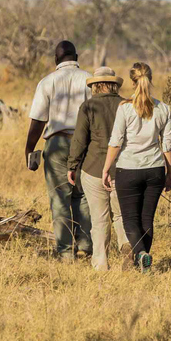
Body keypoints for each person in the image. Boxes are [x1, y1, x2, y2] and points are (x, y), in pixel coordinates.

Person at [102, 62, 171, 272]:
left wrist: (106, 168)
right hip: (155, 170)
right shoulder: (164, 108)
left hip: (128, 169)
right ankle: (143, 262)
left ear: (132, 82)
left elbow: (116, 142)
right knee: (147, 219)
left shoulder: (125, 108)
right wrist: (170, 173)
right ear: (150, 80)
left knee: (130, 220)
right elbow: (167, 145)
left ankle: (141, 254)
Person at [25, 41, 93, 262]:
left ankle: (65, 252)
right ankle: (86, 246)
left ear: (56, 59)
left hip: (56, 144)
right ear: (77, 56)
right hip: (84, 143)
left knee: (59, 198)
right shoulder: (89, 79)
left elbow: (38, 120)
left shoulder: (47, 82)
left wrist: (29, 148)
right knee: (83, 195)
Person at [67, 67, 131, 271]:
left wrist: (72, 165)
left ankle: (101, 263)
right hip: (123, 168)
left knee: (99, 218)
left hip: (94, 168)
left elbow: (79, 140)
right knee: (122, 215)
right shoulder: (126, 104)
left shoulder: (88, 106)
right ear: (114, 84)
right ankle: (126, 246)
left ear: (95, 86)